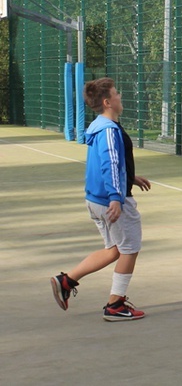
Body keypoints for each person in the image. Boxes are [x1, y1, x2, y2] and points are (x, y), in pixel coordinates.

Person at [50, 77, 151, 321]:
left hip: (97, 198)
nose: (120, 96)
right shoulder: (108, 131)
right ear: (107, 101)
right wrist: (117, 197)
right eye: (116, 93)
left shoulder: (99, 126)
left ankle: (66, 280)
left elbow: (112, 165)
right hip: (110, 201)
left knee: (114, 249)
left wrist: (129, 177)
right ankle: (115, 306)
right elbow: (109, 164)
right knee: (130, 248)